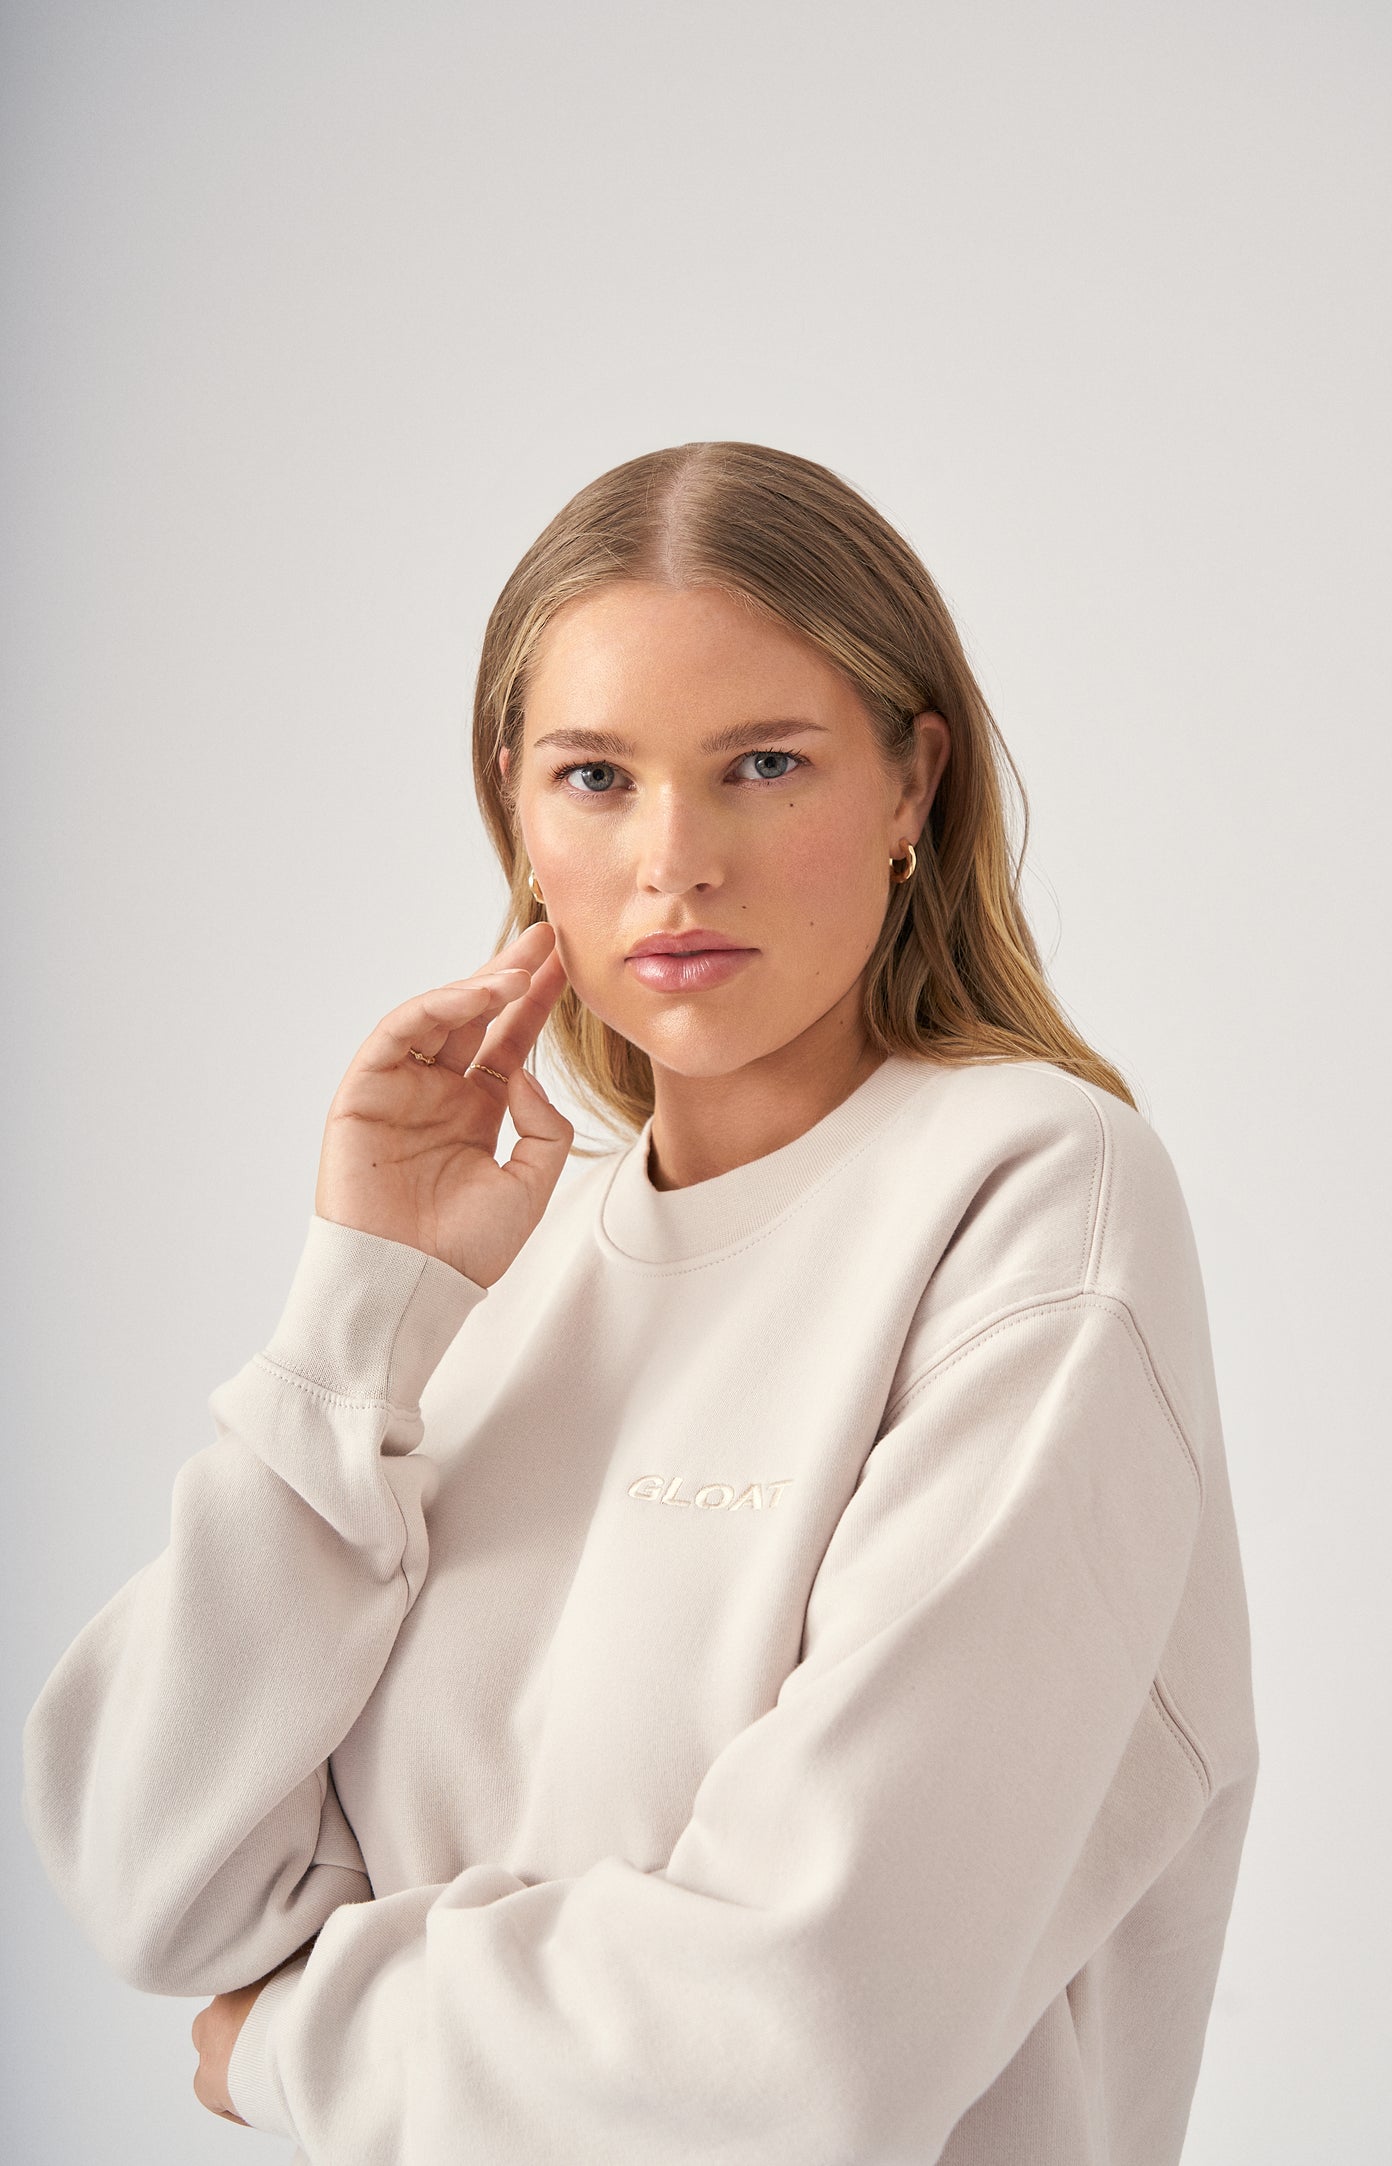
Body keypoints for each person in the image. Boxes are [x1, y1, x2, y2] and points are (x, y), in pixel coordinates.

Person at [21, 440, 1259, 2165]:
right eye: (597, 776)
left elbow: (804, 2032)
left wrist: (295, 2039)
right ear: (515, 807)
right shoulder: (499, 1278)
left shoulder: (1030, 1199)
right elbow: (153, 1870)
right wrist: (360, 1307)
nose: (674, 861)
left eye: (763, 763)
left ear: (912, 782)